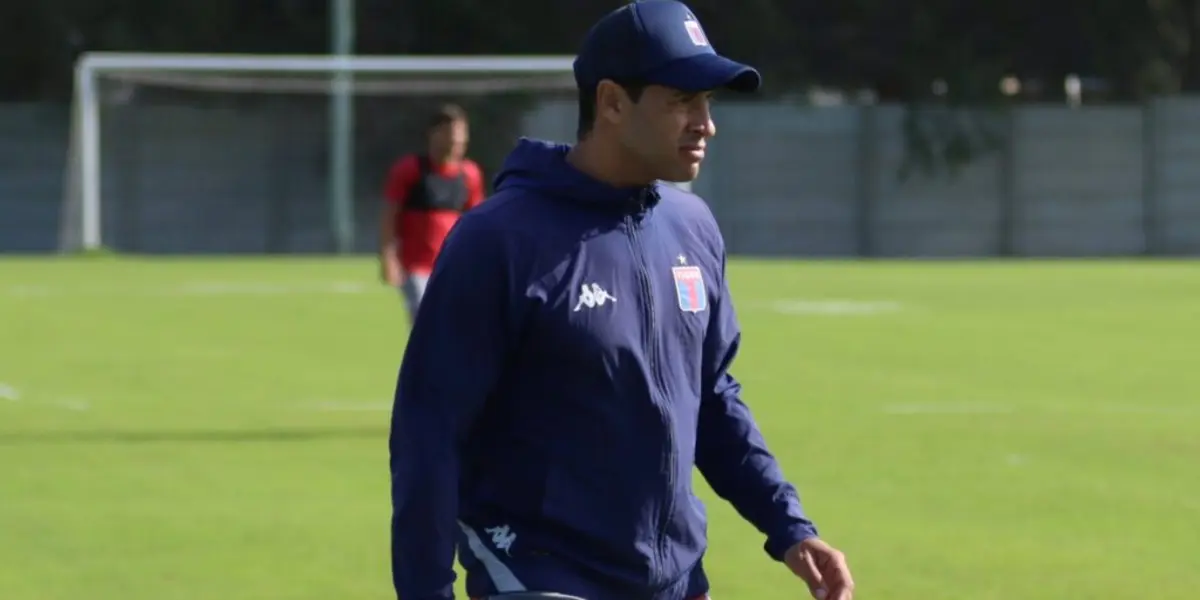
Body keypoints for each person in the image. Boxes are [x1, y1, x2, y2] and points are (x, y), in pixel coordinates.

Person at [389, 2, 855, 600]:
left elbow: (712, 398)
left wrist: (789, 528)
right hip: (536, 574)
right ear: (611, 102)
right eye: (682, 100)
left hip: (675, 581)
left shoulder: (694, 227)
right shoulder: (497, 240)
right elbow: (428, 435)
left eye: (708, 102)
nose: (705, 123)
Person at [379, 103, 485, 322]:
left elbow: (478, 223)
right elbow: (390, 217)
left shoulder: (470, 174)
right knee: (424, 320)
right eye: (450, 134)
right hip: (416, 267)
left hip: (454, 266)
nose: (456, 141)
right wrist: (389, 257)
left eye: (460, 135)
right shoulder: (410, 170)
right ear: (434, 134)